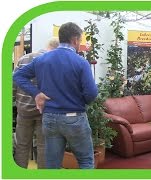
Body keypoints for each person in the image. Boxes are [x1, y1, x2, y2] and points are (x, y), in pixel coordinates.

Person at [13, 22, 98, 169]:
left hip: (49, 118)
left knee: (52, 165)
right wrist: (80, 101)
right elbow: (91, 93)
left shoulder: (42, 60)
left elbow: (18, 76)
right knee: (85, 161)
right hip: (74, 117)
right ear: (75, 40)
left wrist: (36, 94)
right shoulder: (81, 62)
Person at [13, 37, 59, 169]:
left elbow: (14, 83)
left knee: (22, 145)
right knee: (43, 146)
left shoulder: (23, 59)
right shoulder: (54, 63)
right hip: (44, 111)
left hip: (23, 110)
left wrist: (15, 100)